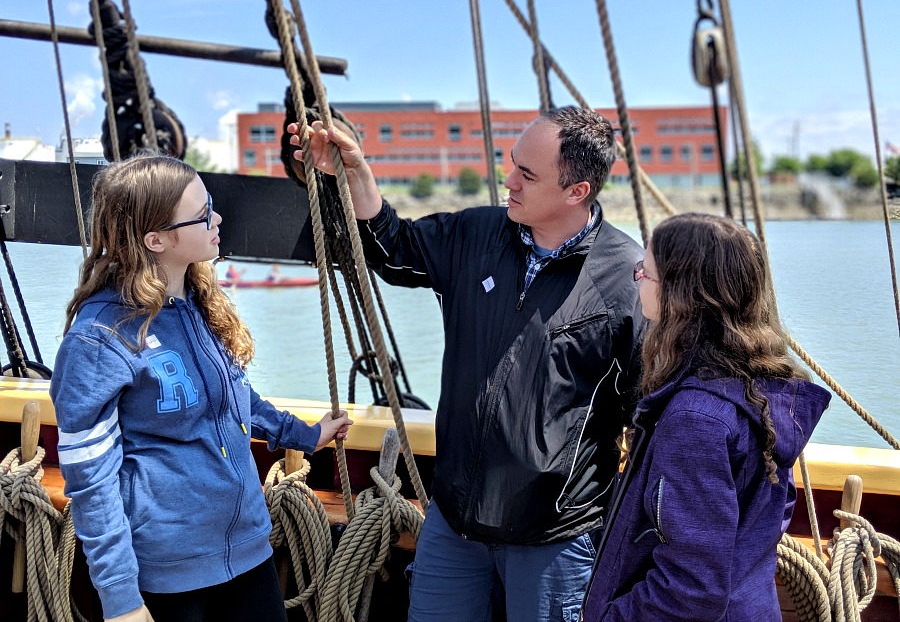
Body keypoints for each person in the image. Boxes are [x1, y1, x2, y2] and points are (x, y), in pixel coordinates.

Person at [290, 106, 645, 622]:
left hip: (555, 539)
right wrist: (357, 174)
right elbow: (395, 247)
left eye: (527, 174)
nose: (509, 181)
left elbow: (648, 409)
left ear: (577, 191)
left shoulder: (626, 280)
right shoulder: (478, 233)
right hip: (453, 523)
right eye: (512, 164)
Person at [50, 154, 353, 622]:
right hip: (170, 571)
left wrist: (304, 435)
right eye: (202, 213)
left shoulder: (199, 303)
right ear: (156, 239)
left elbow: (236, 398)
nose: (217, 218)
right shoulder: (99, 337)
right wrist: (121, 599)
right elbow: (92, 480)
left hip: (249, 550)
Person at [580, 213, 831, 621]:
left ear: (682, 297)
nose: (638, 276)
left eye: (647, 272)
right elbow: (776, 506)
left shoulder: (695, 420)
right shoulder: (762, 390)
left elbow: (691, 590)